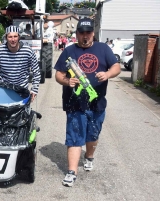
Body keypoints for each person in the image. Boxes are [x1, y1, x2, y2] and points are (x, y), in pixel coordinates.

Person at [54, 17, 121, 187]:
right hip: (74, 102)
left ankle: (89, 156)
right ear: (76, 34)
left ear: (93, 33)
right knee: (75, 136)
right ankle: (72, 172)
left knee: (93, 135)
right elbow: (58, 74)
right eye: (81, 33)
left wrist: (107, 75)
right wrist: (67, 82)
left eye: (88, 32)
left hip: (97, 103)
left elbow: (116, 67)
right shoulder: (69, 51)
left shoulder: (103, 48)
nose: (85, 36)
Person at [0, 25, 41, 102]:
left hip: (22, 91)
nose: (13, 39)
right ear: (6, 37)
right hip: (4, 91)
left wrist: (34, 89)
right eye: (10, 37)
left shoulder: (28, 51)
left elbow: (36, 71)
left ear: (19, 37)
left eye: (15, 36)